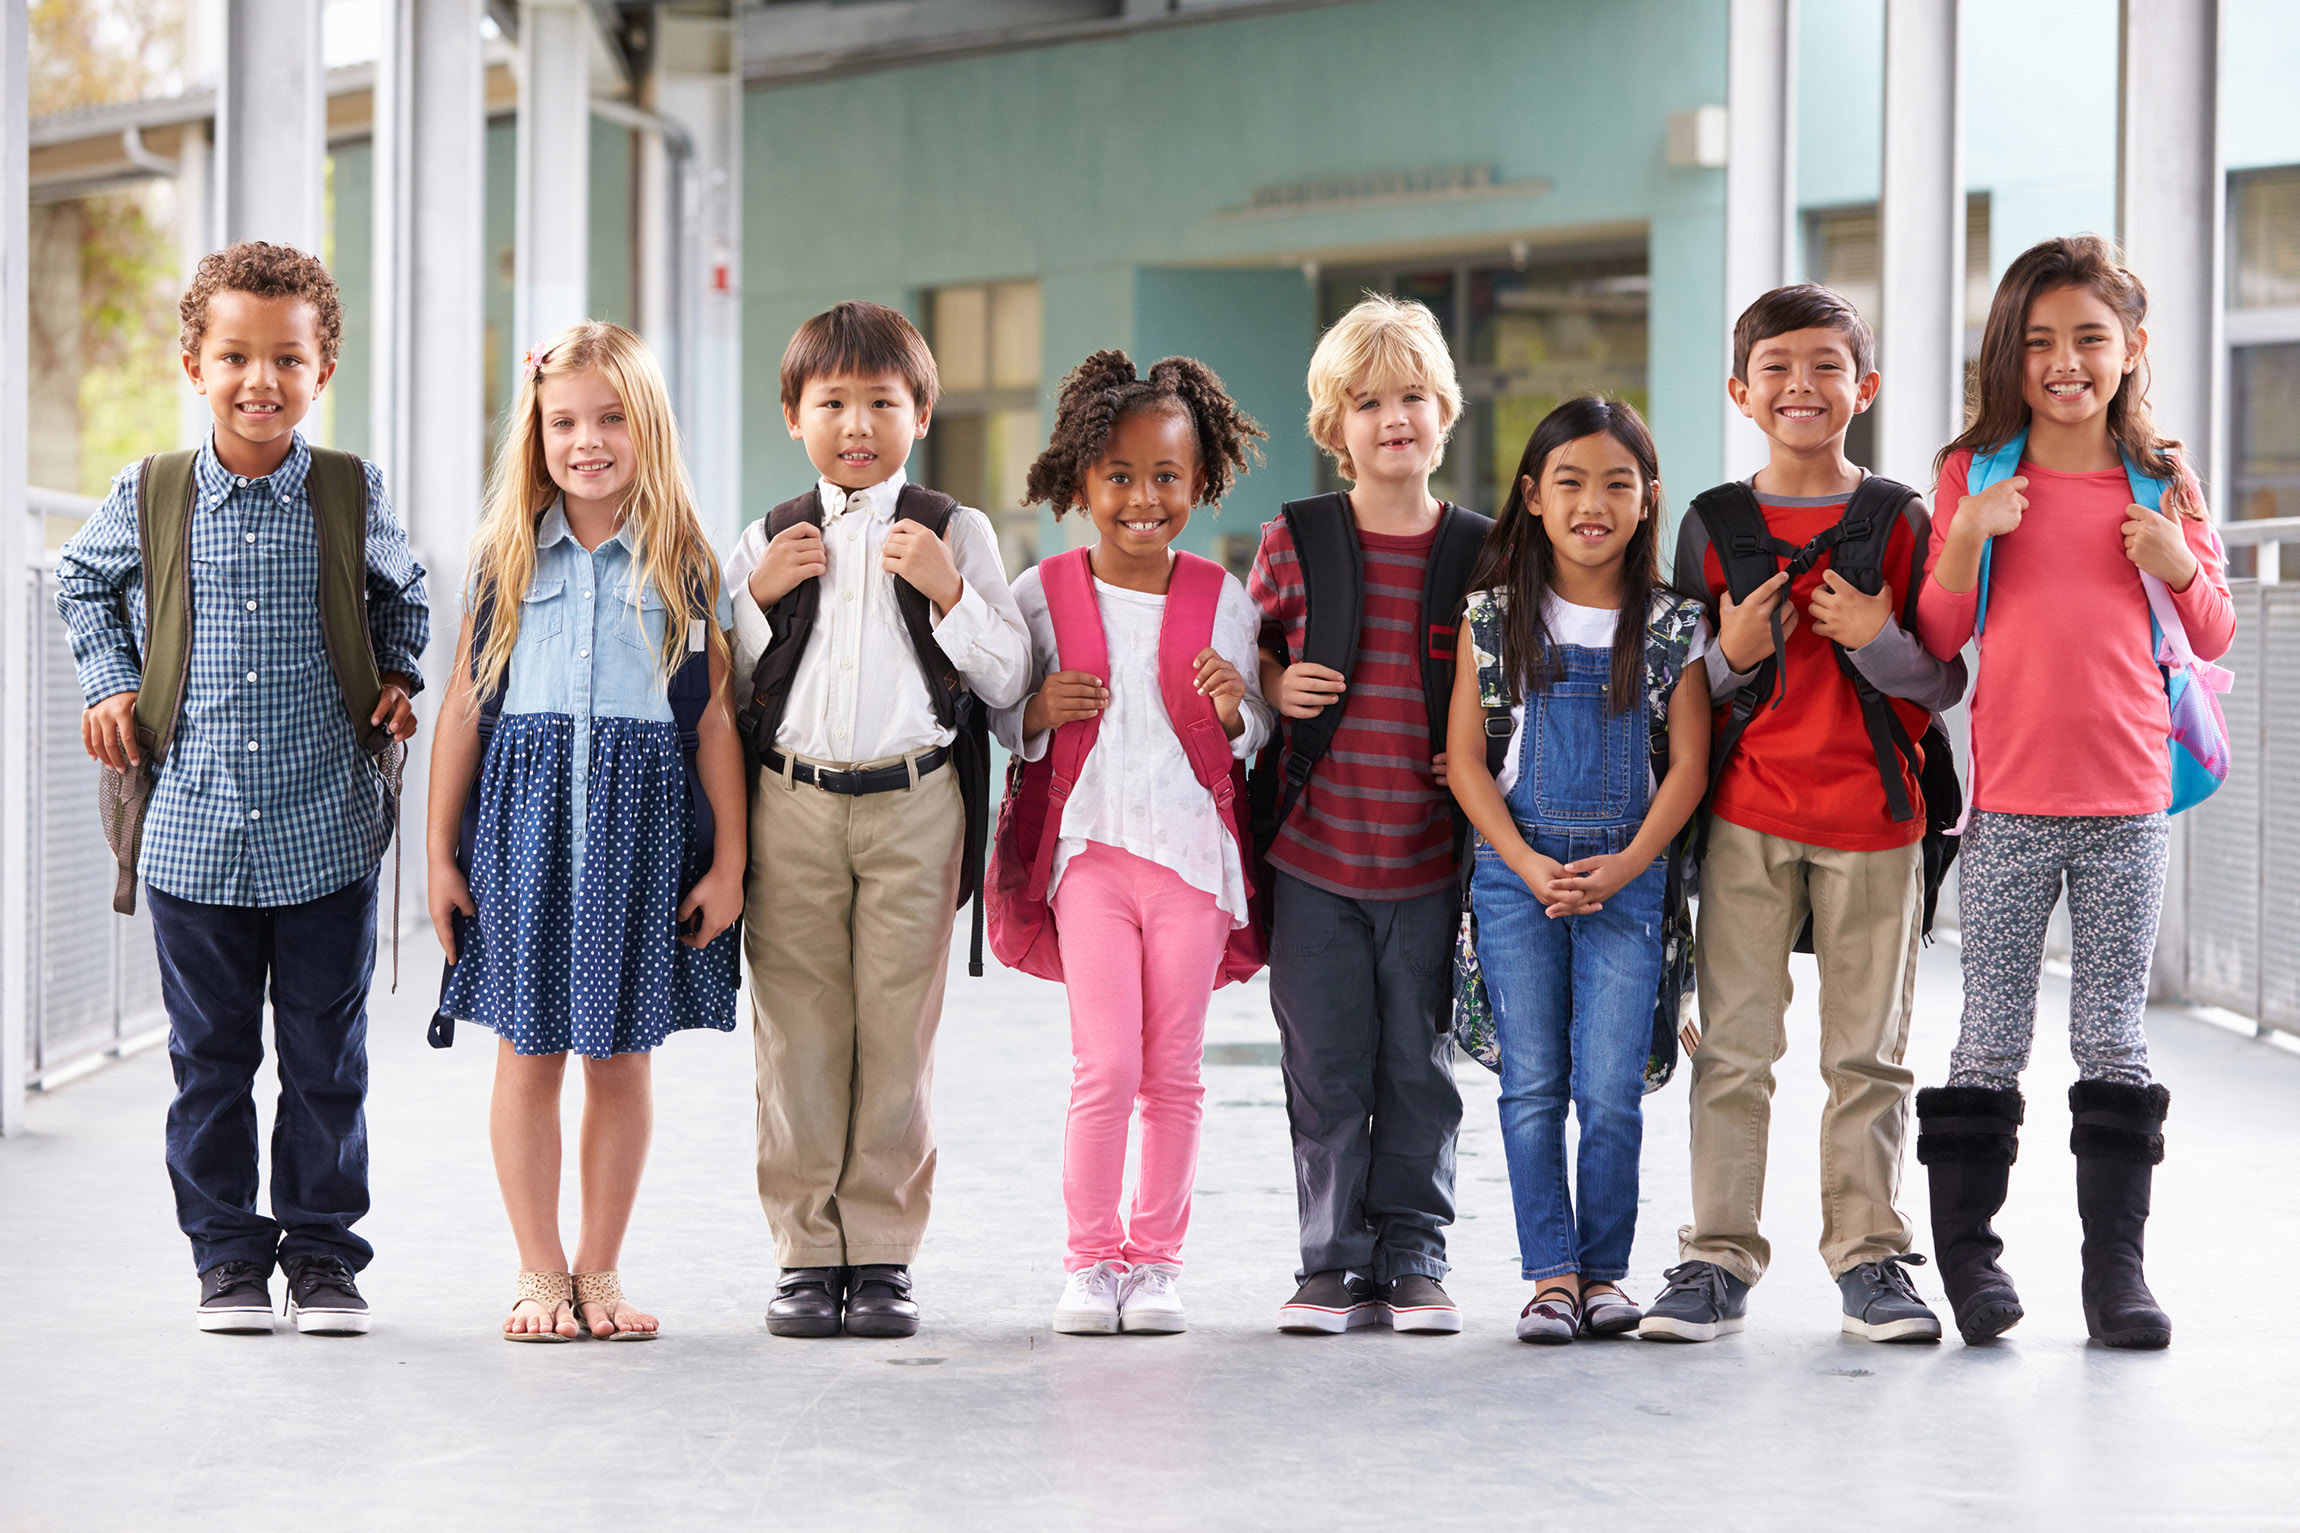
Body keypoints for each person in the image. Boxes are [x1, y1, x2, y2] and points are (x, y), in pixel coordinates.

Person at [56, 241, 427, 1335]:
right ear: (193, 366)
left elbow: (404, 593)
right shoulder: (153, 492)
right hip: (191, 832)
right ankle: (226, 1257)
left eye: (286, 359)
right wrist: (110, 682)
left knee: (325, 1061)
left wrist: (402, 674)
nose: (260, 380)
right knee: (208, 1062)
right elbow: (83, 581)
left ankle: (321, 1256)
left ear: (323, 371)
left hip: (326, 826)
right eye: (234, 357)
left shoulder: (351, 491)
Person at [1913, 235, 2234, 1350]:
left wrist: (2174, 559)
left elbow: (2212, 629)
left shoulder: (2161, 478)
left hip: (2128, 805)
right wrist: (1961, 537)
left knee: (2112, 1038)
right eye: (2037, 341)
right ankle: (1969, 1262)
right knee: (1988, 1035)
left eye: (2088, 339)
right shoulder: (1974, 476)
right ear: (2005, 354)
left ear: (2130, 348)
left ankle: (2116, 1278)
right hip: (2005, 809)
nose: (2064, 361)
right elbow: (1938, 638)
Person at [1638, 284, 1968, 1347]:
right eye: (1776, 367)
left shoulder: (1899, 521)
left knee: (1865, 1061)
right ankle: (1714, 1260)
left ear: (1861, 388)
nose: (1801, 386)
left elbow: (1938, 682)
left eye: (1826, 366)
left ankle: (1870, 1262)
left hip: (1876, 820)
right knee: (1732, 1051)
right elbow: (1676, 684)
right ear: (1740, 391)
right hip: (1743, 819)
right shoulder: (1711, 524)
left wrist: (1872, 633)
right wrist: (1729, 656)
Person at [428, 321, 744, 1342]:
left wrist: (730, 861)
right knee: (528, 1052)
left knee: (620, 1059)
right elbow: (465, 711)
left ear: (645, 426)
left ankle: (599, 1273)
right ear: (537, 434)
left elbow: (710, 721)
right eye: (563, 422)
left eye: (610, 418)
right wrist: (438, 854)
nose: (587, 440)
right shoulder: (504, 560)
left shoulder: (688, 565)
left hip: (641, 840)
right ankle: (537, 1271)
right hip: (522, 835)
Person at [726, 301, 1029, 1339]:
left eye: (881, 403)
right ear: (792, 416)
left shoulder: (956, 531)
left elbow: (1009, 677)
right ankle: (808, 1253)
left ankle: (883, 1251)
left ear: (921, 412)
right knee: (797, 1035)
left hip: (915, 803)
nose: (857, 425)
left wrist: (948, 593)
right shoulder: (764, 536)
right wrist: (756, 600)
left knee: (896, 1036)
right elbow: (714, 686)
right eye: (833, 404)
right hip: (789, 802)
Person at [993, 351, 1273, 1336]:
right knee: (1104, 1066)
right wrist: (1035, 709)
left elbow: (1252, 736)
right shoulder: (1044, 590)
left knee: (1173, 1073)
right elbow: (1004, 717)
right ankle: (1087, 1262)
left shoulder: (1219, 595)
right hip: (1091, 857)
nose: (1142, 498)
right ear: (1079, 481)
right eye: (1117, 476)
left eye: (1165, 477)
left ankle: (1153, 1264)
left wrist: (1238, 712)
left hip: (1193, 863)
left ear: (1198, 483)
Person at [1248, 294, 1492, 1335]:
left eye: (1410, 397)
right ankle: (1331, 1260)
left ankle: (1414, 1253)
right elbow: (1247, 642)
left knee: (1418, 1066)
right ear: (1332, 426)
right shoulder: (1295, 539)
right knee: (1325, 1066)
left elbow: (1514, 681)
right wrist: (1270, 684)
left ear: (1444, 410)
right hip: (1313, 860)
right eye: (1366, 402)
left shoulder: (1481, 552)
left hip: (1432, 862)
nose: (1391, 418)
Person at [1447, 397, 1709, 1344]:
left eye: (1616, 483)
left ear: (1647, 502)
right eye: (1569, 481)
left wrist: (1631, 864)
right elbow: (1468, 761)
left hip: (1629, 881)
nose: (1592, 502)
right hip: (1515, 879)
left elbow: (1687, 766)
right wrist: (1522, 860)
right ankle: (1549, 1274)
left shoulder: (1675, 621)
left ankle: (1605, 1272)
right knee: (1532, 1085)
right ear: (1532, 496)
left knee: (1609, 1087)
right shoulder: (1495, 615)